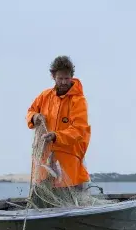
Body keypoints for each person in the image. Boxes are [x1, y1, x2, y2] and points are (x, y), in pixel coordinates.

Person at [26, 56, 91, 193]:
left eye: (66, 78)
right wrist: (34, 117)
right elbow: (30, 111)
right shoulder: (44, 96)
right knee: (43, 199)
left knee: (70, 200)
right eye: (60, 78)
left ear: (71, 77)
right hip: (45, 162)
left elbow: (79, 130)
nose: (63, 82)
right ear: (53, 77)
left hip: (68, 162)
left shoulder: (78, 101)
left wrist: (56, 136)